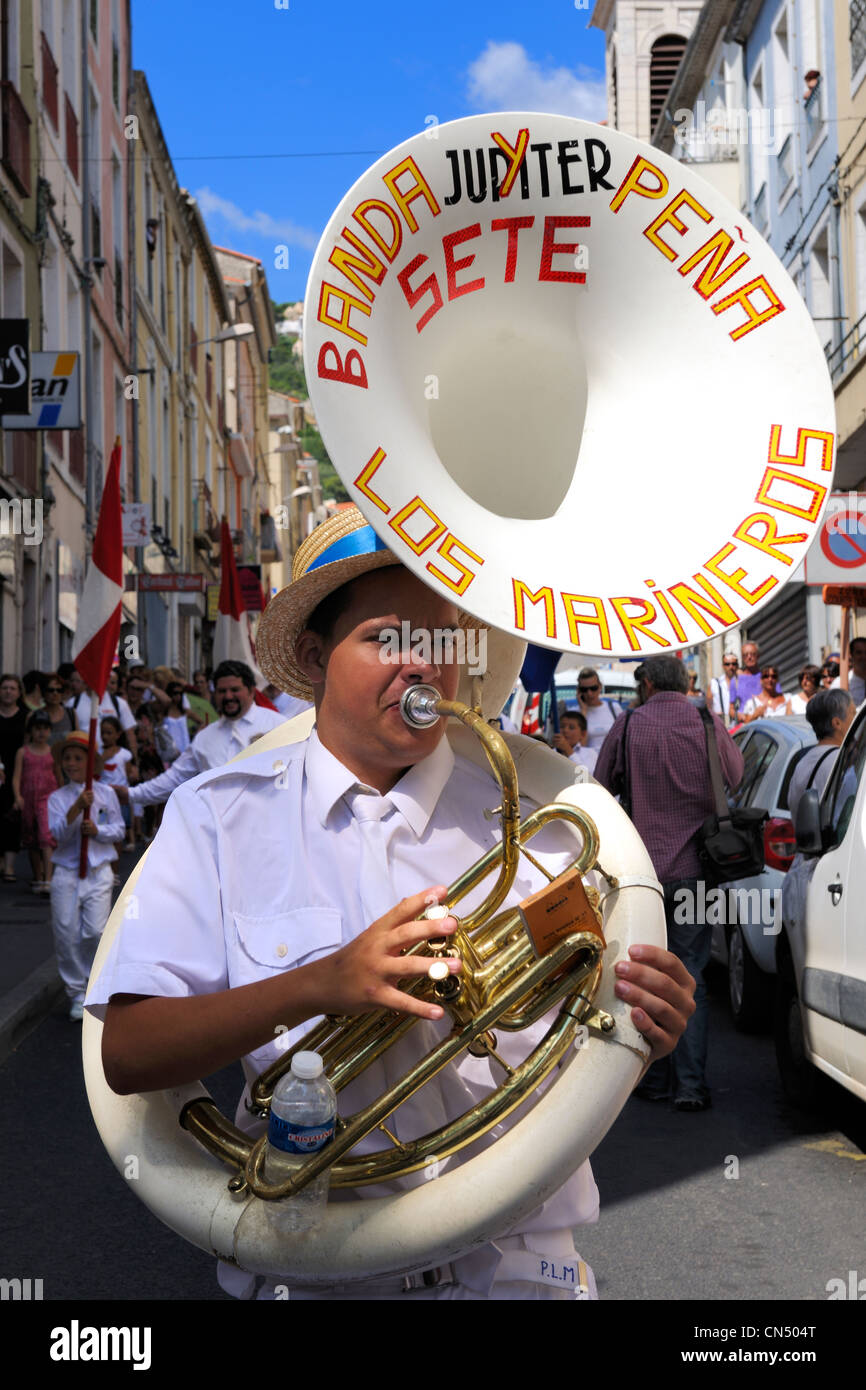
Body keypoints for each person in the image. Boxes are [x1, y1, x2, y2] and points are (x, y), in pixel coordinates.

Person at [90, 506, 695, 1302]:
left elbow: (583, 1028)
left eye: (441, 639)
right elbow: (129, 1054)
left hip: (518, 1270)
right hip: (319, 1273)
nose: (423, 665)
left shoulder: (546, 827)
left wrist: (644, 1018)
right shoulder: (219, 817)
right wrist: (318, 985)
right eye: (387, 638)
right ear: (313, 659)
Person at [594, 654, 743, 1112]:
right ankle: (691, 1085)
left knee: (647, 975)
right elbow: (735, 776)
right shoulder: (705, 719)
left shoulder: (630, 724)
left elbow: (599, 786)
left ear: (649, 685)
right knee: (691, 974)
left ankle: (653, 1077)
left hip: (644, 880)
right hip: (697, 872)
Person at [116, 661, 286, 812]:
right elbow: (174, 777)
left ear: (250, 691)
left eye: (234, 690)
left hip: (267, 832)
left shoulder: (278, 726)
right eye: (222, 691)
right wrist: (132, 794)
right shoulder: (204, 737)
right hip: (219, 834)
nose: (228, 697)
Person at [49, 730, 125, 1021]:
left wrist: (98, 831)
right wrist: (75, 810)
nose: (72, 763)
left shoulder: (105, 794)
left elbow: (117, 828)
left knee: (95, 932)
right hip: (67, 872)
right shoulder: (58, 798)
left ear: (89, 762)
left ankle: (97, 986)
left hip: (98, 871)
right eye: (67, 758)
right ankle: (76, 991)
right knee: (66, 933)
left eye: (78, 758)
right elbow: (56, 835)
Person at [787, 689, 855, 822]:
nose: (856, 719)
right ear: (837, 723)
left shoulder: (802, 763)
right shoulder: (842, 763)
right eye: (853, 713)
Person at [12, 710, 59, 893]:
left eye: (45, 729)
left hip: (47, 798)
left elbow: (58, 776)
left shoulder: (52, 752)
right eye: (37, 728)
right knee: (31, 838)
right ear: (31, 730)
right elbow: (16, 777)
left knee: (46, 837)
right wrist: (18, 796)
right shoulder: (22, 752)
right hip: (28, 797)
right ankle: (38, 877)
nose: (41, 733)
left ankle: (49, 879)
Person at [0, 673, 27, 882]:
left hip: (17, 772)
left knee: (12, 819)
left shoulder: (25, 716)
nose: (8, 692)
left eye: (12, 688)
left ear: (19, 692)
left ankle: (9, 865)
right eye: (5, 688)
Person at [576, 667, 622, 750]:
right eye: (584, 689)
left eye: (593, 688)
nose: (589, 693)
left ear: (600, 686)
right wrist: (583, 711)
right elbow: (580, 747)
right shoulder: (576, 713)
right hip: (589, 761)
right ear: (579, 691)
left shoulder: (614, 708)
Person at [552, 709, 597, 776]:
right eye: (562, 727)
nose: (565, 730)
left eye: (571, 728)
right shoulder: (551, 753)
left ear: (582, 734)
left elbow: (588, 777)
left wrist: (568, 750)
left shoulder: (590, 753)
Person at [729, 640, 762, 718]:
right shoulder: (736, 681)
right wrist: (740, 716)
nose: (749, 657)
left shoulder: (767, 678)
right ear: (742, 658)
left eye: (752, 654)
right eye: (745, 655)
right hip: (745, 725)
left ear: (758, 656)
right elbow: (731, 709)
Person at [41, 671, 77, 744]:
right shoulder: (34, 715)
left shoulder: (71, 713)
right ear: (43, 692)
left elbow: (76, 741)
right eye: (50, 690)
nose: (55, 693)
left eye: (59, 690)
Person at [709, 654, 738, 725]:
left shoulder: (742, 683)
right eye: (727, 664)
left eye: (733, 664)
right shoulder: (714, 683)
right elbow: (708, 707)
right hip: (720, 725)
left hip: (738, 725)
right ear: (723, 666)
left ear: (737, 665)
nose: (731, 667)